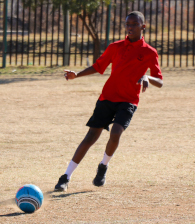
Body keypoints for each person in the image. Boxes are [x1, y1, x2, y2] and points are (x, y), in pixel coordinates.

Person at [54, 11, 163, 191]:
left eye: (134, 24)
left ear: (143, 27)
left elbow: (159, 81)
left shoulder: (149, 52)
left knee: (116, 132)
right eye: (127, 24)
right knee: (90, 137)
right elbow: (98, 67)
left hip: (129, 100)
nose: (130, 27)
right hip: (108, 97)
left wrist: (146, 77)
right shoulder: (115, 47)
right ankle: (65, 177)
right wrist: (77, 75)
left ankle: (103, 166)